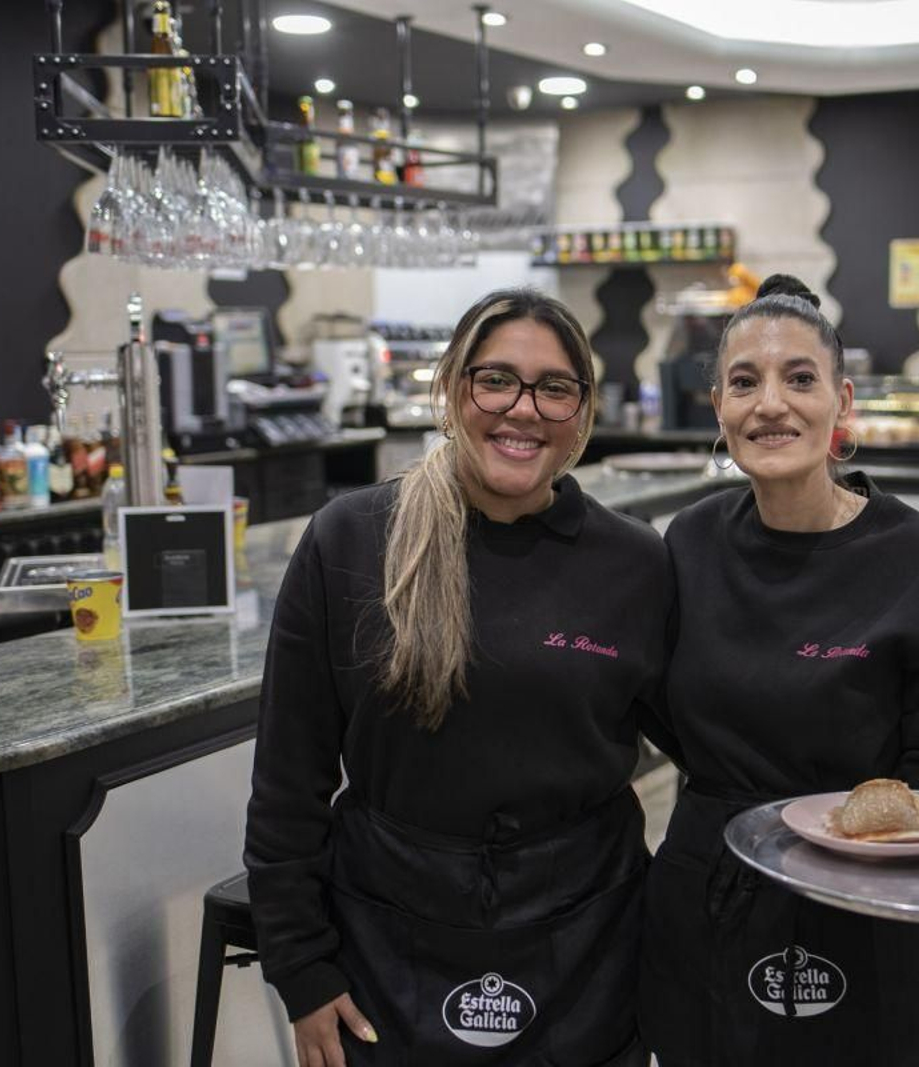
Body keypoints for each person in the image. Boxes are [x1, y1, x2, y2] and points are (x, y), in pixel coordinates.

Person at [246, 288, 671, 1067]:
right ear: (451, 386)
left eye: (554, 387)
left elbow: (715, 738)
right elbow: (288, 782)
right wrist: (301, 967)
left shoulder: (634, 562)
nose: (524, 409)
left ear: (583, 410)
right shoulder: (350, 540)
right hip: (389, 943)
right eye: (496, 379)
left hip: (589, 946)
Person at [640, 274, 919, 1065]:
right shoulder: (689, 544)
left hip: (868, 903)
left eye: (799, 378)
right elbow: (661, 710)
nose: (771, 403)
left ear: (842, 400)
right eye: (745, 381)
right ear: (720, 409)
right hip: (709, 890)